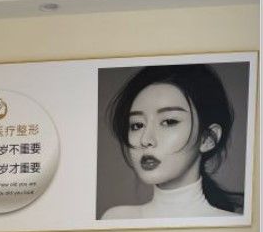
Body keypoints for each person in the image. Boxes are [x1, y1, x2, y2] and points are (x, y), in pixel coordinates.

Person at [101, 64, 243, 219]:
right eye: (137, 125)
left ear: (207, 138)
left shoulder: (230, 225)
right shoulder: (116, 218)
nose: (145, 140)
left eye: (169, 122)